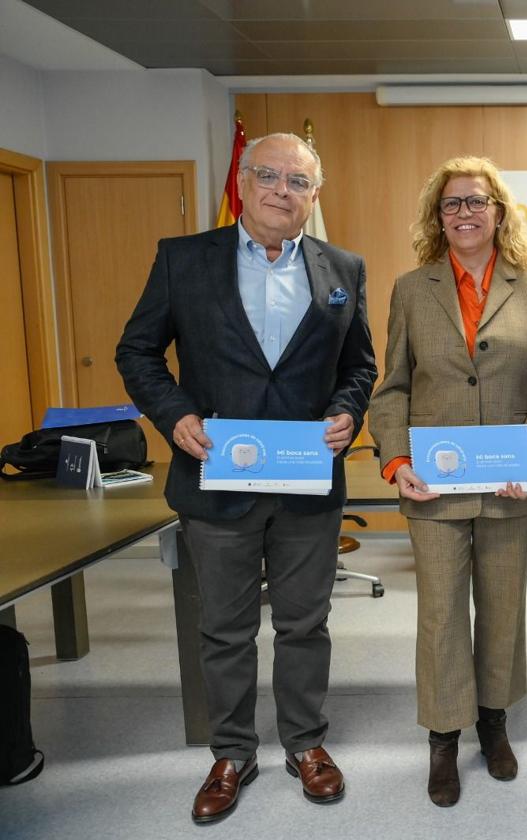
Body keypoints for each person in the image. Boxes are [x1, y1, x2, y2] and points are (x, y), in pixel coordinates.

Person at [115, 133, 377, 823]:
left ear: (312, 197)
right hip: (217, 479)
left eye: (297, 182)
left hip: (306, 484)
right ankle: (230, 752)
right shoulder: (183, 260)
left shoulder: (342, 267)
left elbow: (359, 367)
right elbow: (137, 350)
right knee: (225, 629)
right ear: (242, 179)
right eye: (268, 175)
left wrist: (349, 412)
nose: (280, 191)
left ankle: (305, 745)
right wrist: (173, 416)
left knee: (304, 624)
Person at [369, 156, 527, 807]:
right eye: (452, 203)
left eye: (476, 201)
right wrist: (397, 462)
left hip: (510, 486)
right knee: (442, 616)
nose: (465, 213)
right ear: (438, 216)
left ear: (498, 211)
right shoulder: (410, 288)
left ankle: (494, 721)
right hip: (434, 488)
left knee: (503, 612)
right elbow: (392, 389)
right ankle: (443, 738)